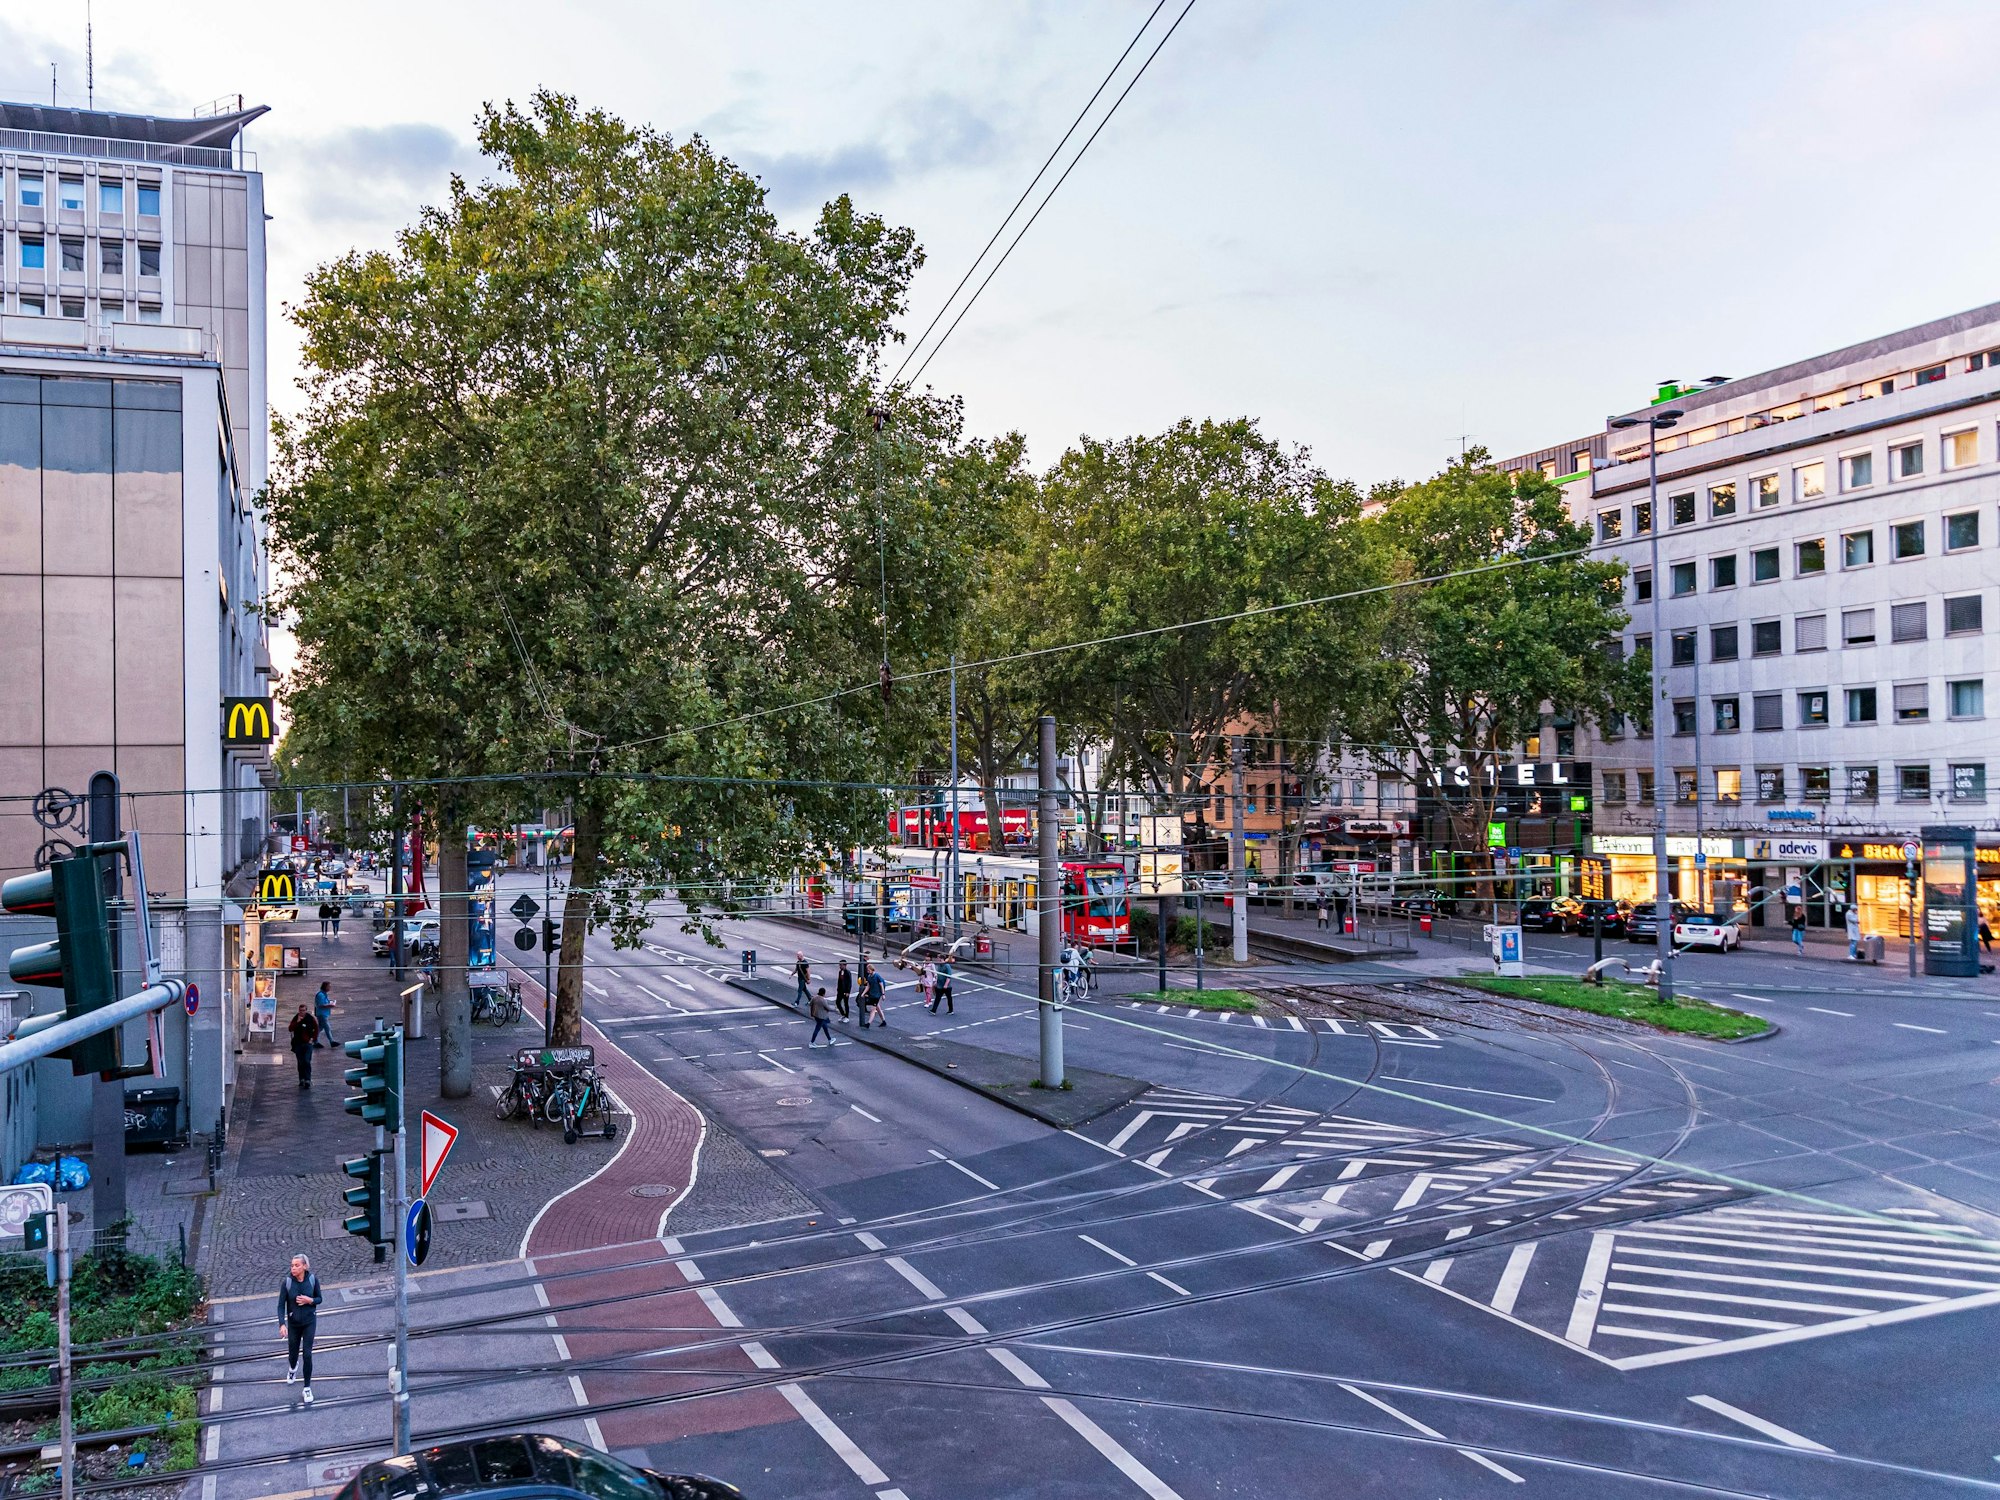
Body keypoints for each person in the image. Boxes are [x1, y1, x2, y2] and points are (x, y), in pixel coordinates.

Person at [279, 1253, 323, 1404]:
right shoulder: (287, 1283)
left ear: (305, 1266)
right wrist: (282, 1324)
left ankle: (307, 1387)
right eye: (292, 1265)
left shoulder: (312, 1280)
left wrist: (309, 1300)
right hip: (294, 1324)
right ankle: (293, 1368)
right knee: (293, 1352)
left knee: (307, 1354)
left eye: (297, 1265)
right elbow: (280, 1305)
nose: (293, 1268)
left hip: (309, 1321)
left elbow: (319, 1299)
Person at [287, 1006, 318, 1087]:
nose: (302, 1012)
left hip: (308, 1043)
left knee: (307, 1061)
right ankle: (302, 1079)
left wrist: (313, 1039)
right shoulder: (296, 1018)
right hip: (298, 1043)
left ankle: (308, 1079)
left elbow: (316, 1028)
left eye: (303, 1010)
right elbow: (290, 1029)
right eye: (301, 1010)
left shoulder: (310, 1018)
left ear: (306, 1011)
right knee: (300, 1062)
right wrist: (297, 1022)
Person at [862, 963, 888, 1028]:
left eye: (868, 970)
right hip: (873, 994)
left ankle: (868, 1023)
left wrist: (883, 994)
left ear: (872, 969)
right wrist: (863, 993)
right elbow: (868, 986)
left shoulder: (877, 976)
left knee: (873, 1009)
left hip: (877, 995)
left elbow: (881, 985)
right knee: (878, 1008)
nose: (867, 971)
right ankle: (884, 1021)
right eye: (867, 970)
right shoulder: (869, 976)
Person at [312, 981, 337, 1047]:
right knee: (327, 1027)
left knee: (320, 1028)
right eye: (329, 986)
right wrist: (330, 1005)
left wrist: (330, 1003)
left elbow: (324, 1003)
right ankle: (332, 1041)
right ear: (325, 987)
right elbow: (321, 1005)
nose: (330, 988)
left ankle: (315, 1041)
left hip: (323, 1014)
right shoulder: (321, 995)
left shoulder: (323, 994)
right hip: (322, 1014)